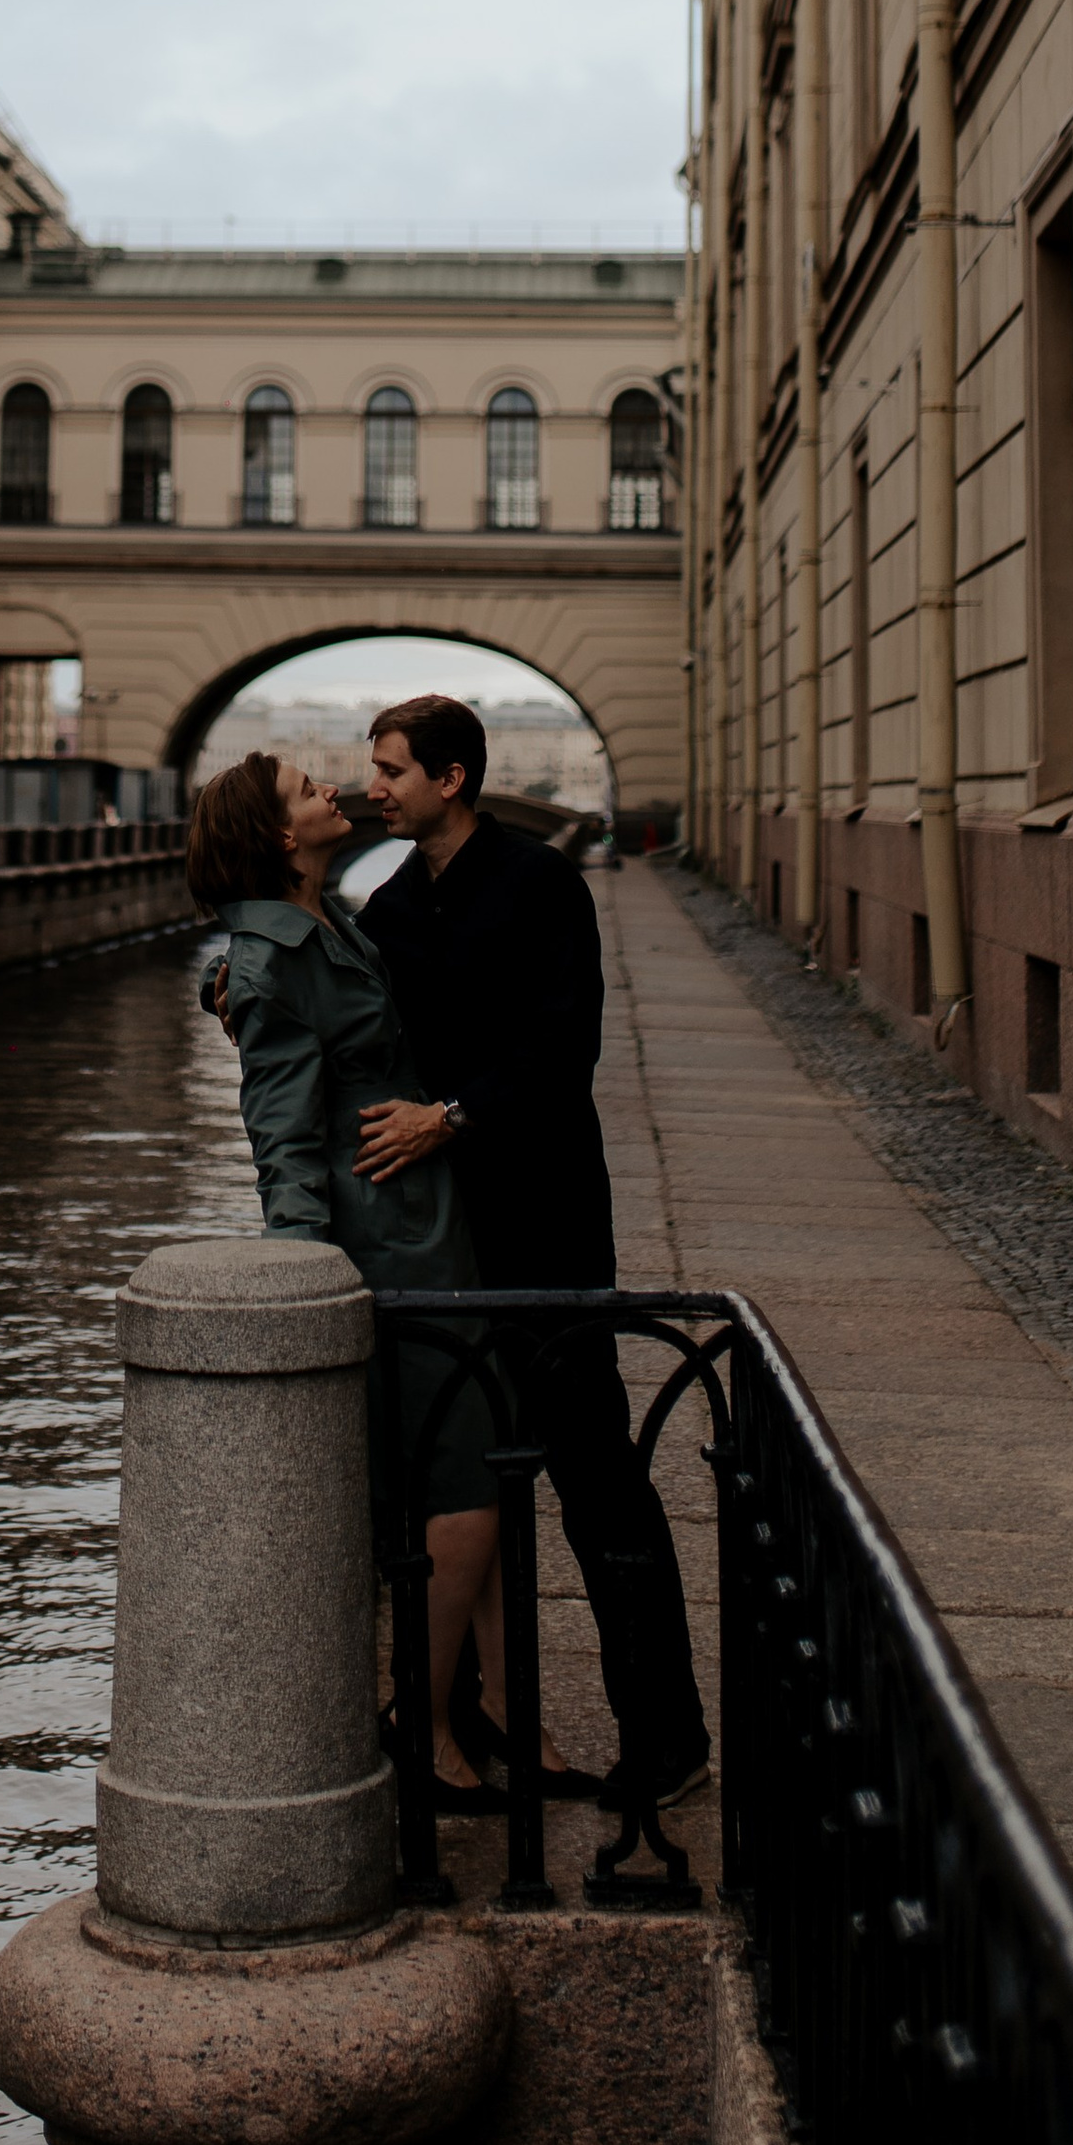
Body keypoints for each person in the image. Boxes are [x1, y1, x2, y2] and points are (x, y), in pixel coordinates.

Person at [352, 693, 710, 1814]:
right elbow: (358, 1025)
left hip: (548, 1223)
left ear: (450, 779)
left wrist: (450, 1115)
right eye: (374, 770)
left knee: (594, 1479)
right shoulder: (392, 906)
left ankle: (666, 1736)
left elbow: (566, 1048)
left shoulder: (540, 883)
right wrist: (245, 990)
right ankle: (467, 1722)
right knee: (471, 1482)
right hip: (450, 1244)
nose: (376, 788)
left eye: (393, 771)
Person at [186, 746, 502, 1805]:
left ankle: (470, 1712)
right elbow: (281, 1139)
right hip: (380, 1240)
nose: (334, 793)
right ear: (281, 838)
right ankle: (415, 1722)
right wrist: (307, 1280)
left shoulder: (327, 921)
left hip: (421, 1220)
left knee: (468, 1463)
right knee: (457, 1480)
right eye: (307, 792)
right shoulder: (275, 961)